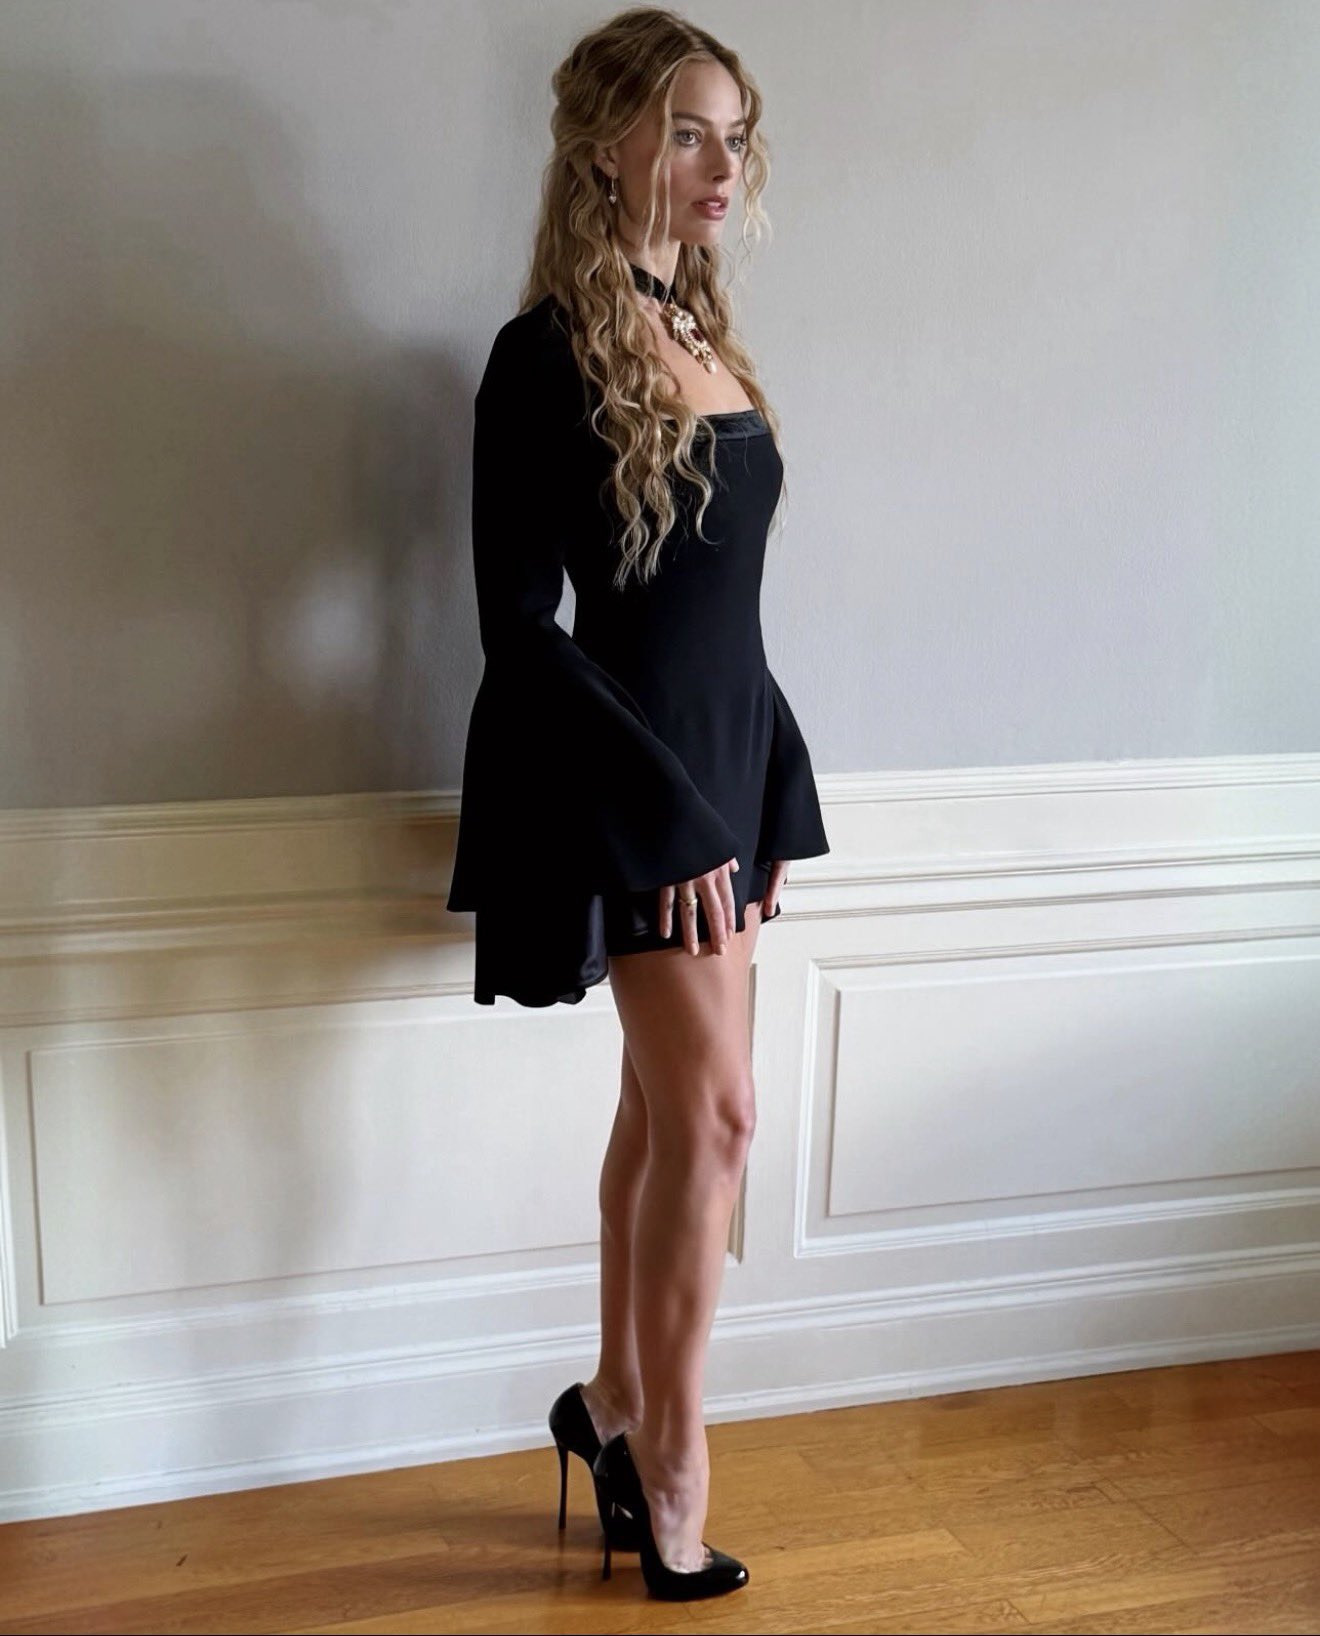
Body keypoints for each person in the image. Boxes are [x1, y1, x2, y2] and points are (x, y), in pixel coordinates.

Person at [445, 6, 830, 1603]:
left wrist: (771, 786)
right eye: (685, 130)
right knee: (718, 1120)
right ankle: (672, 1463)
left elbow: (721, 618)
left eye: (734, 135)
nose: (720, 164)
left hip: (724, 784)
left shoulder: (708, 338)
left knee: (665, 1116)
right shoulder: (542, 358)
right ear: (605, 145)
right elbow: (519, 629)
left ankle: (609, 1403)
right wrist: (669, 815)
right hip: (637, 797)